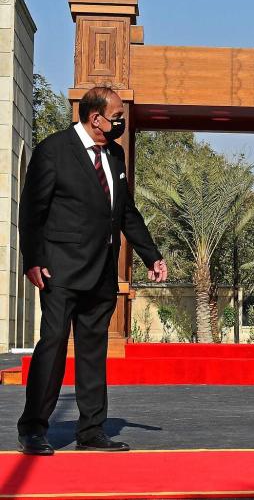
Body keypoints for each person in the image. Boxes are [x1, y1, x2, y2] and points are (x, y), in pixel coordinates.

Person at [18, 87, 167, 456]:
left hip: (102, 272)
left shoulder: (115, 154)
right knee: (52, 347)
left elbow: (125, 211)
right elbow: (32, 210)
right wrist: (32, 260)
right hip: (59, 270)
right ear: (95, 117)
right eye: (116, 115)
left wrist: (152, 256)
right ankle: (34, 429)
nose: (121, 121)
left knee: (93, 350)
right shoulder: (54, 150)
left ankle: (91, 431)